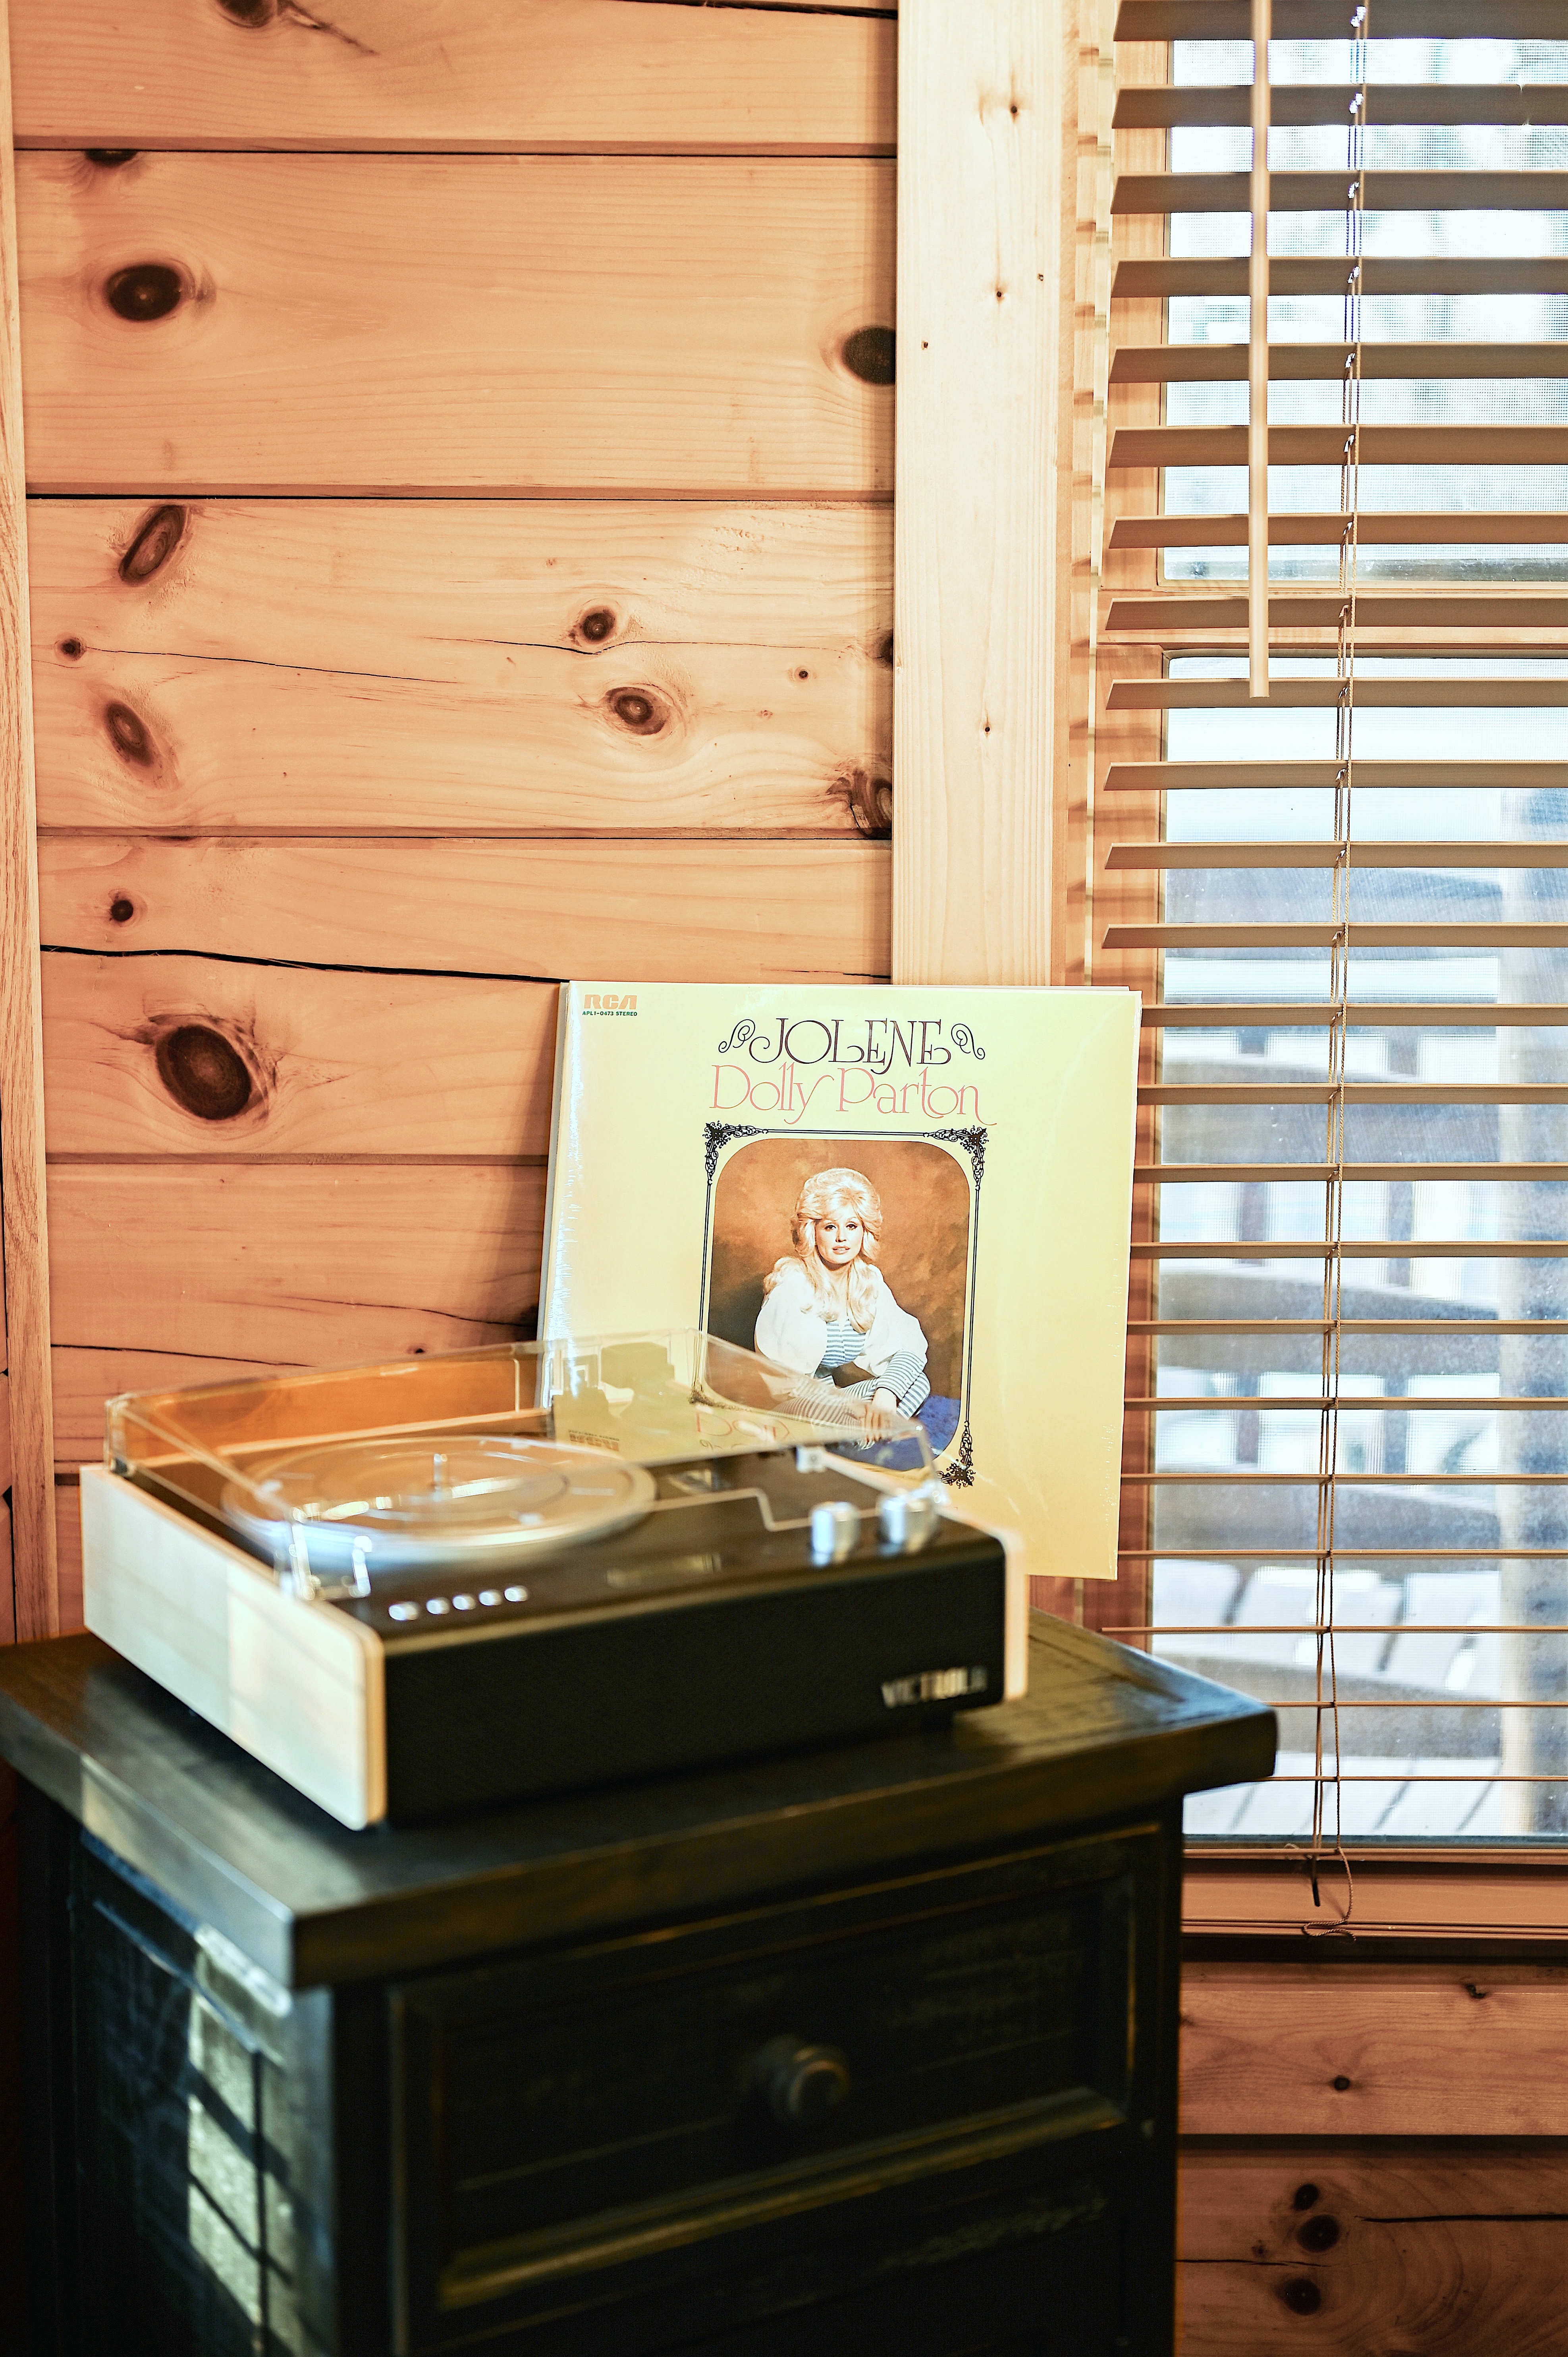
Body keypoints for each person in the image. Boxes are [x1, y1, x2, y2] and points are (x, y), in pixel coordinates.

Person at [754, 1167, 929, 1430]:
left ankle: (863, 1443)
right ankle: (854, 1443)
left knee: (913, 1382)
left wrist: (885, 1395)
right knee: (855, 1411)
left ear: (864, 1231)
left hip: (835, 1400)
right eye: (829, 1227)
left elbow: (909, 1348)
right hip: (798, 1405)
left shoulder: (868, 1281)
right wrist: (849, 1407)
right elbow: (783, 1385)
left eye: (851, 1226)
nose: (841, 1238)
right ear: (813, 1232)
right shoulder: (793, 1285)